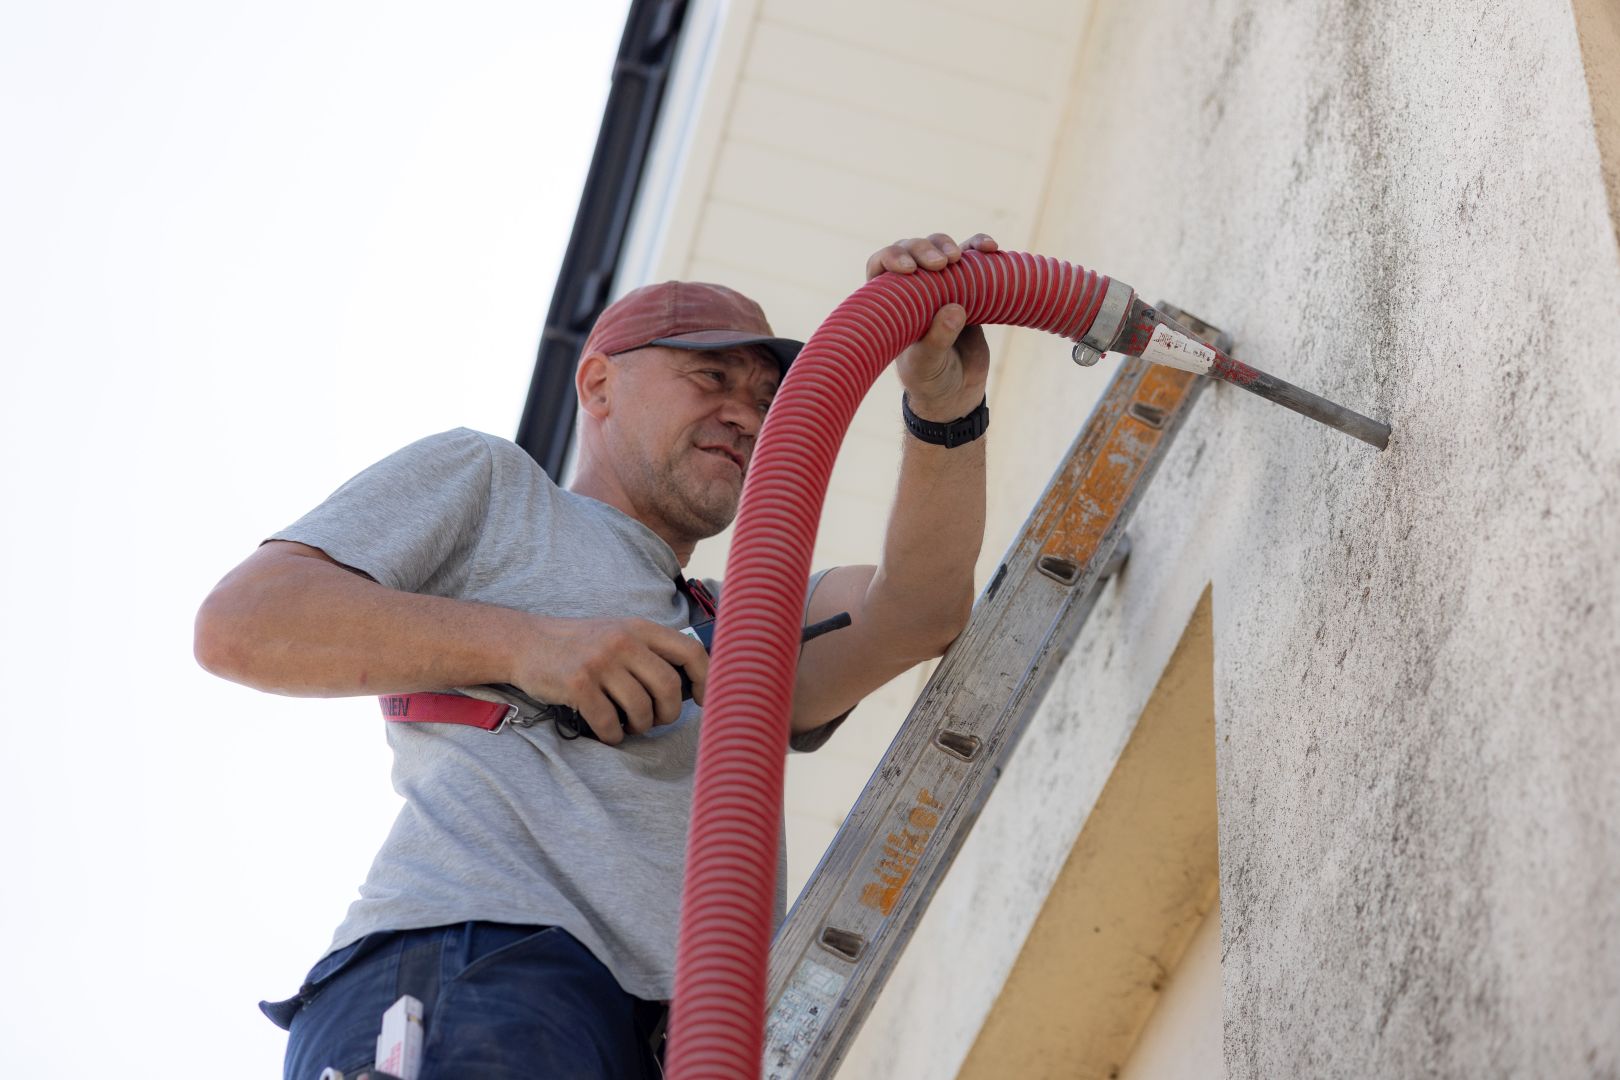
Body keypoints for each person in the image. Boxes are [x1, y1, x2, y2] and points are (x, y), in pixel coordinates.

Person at [194, 232, 997, 1079]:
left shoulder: (740, 620)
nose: (748, 415)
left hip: (675, 1039)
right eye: (712, 378)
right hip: (486, 962)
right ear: (600, 382)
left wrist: (946, 401)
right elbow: (243, 620)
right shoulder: (496, 488)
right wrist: (535, 646)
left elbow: (918, 611)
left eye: (768, 397)